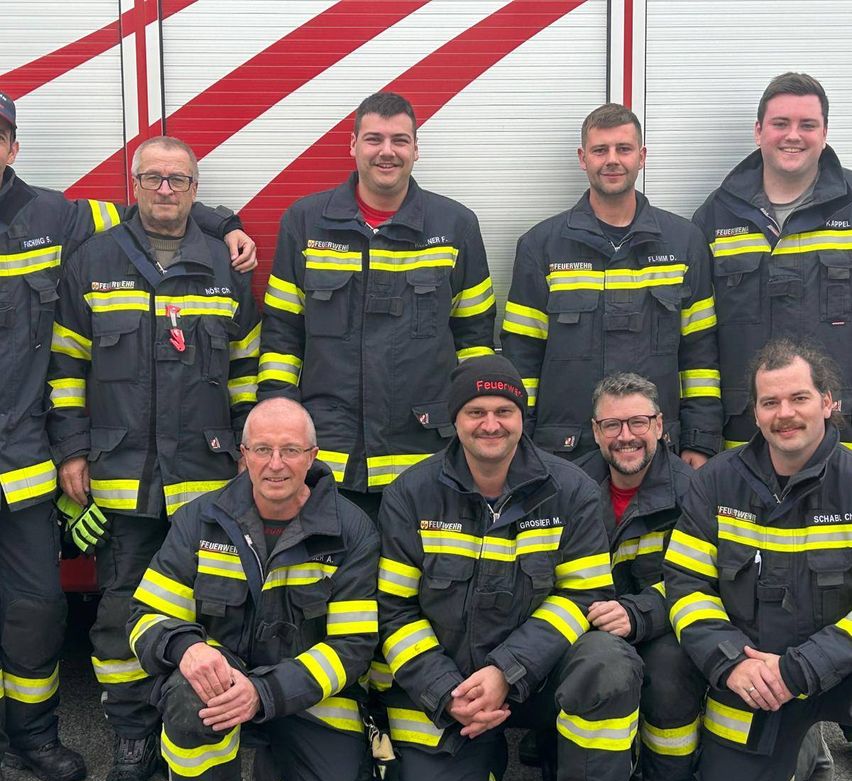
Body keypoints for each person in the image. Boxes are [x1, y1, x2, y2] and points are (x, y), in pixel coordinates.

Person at [0, 89, 254, 781]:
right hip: (118, 479)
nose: (164, 189)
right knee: (118, 615)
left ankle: (204, 740)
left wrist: (248, 444)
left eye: (179, 179)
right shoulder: (95, 254)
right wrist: (74, 449)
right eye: (152, 178)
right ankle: (135, 741)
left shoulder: (220, 264)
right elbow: (69, 362)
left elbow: (250, 362)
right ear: (131, 187)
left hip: (205, 476)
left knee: (216, 610)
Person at [376, 354, 643, 781]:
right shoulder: (410, 494)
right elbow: (394, 611)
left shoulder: (571, 491)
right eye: (476, 411)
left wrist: (506, 672)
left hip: (540, 681)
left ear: (523, 417)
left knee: (609, 662)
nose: (491, 423)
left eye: (505, 409)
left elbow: (582, 594)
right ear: (453, 419)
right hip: (450, 694)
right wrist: (446, 693)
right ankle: (484, 757)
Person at [127, 398, 380, 781]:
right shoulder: (200, 519)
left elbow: (352, 648)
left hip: (310, 698)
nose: (276, 464)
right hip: (221, 686)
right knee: (187, 696)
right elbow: (146, 616)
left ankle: (275, 773)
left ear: (313, 457)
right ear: (243, 456)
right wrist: (187, 648)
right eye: (262, 450)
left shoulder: (351, 531)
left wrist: (263, 693)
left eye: (290, 451)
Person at [258, 91, 496, 521]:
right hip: (327, 455)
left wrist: (477, 427)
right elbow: (281, 335)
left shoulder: (456, 226)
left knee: (420, 581)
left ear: (416, 149)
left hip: (427, 453)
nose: (387, 151)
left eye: (399, 140)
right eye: (374, 139)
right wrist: (279, 431)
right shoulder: (305, 223)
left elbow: (475, 341)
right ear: (352, 146)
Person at [663, 339, 848, 781]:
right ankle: (803, 748)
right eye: (770, 402)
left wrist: (801, 670)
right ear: (756, 412)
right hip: (756, 678)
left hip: (836, 669)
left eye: (799, 398)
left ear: (828, 402)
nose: (784, 414)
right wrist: (731, 664)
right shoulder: (717, 482)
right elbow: (685, 584)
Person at [501, 103, 721, 467]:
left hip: (657, 448)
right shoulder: (541, 246)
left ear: (642, 156)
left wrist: (699, 440)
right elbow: (522, 356)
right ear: (582, 158)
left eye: (624, 149)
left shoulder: (684, 243)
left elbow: (700, 354)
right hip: (564, 450)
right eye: (600, 150)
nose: (612, 160)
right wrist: (522, 442)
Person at [579, 373, 706, 781]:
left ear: (659, 425)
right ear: (594, 431)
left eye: (637, 422)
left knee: (670, 668)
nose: (625, 436)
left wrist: (638, 613)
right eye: (612, 425)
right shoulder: (567, 485)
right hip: (590, 621)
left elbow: (699, 577)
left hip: (663, 624)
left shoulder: (695, 490)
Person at [693, 72, 852, 449]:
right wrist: (699, 435)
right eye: (780, 123)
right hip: (743, 434)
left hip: (842, 430)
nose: (793, 135)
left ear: (825, 132)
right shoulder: (716, 217)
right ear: (759, 131)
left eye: (807, 124)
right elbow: (697, 340)